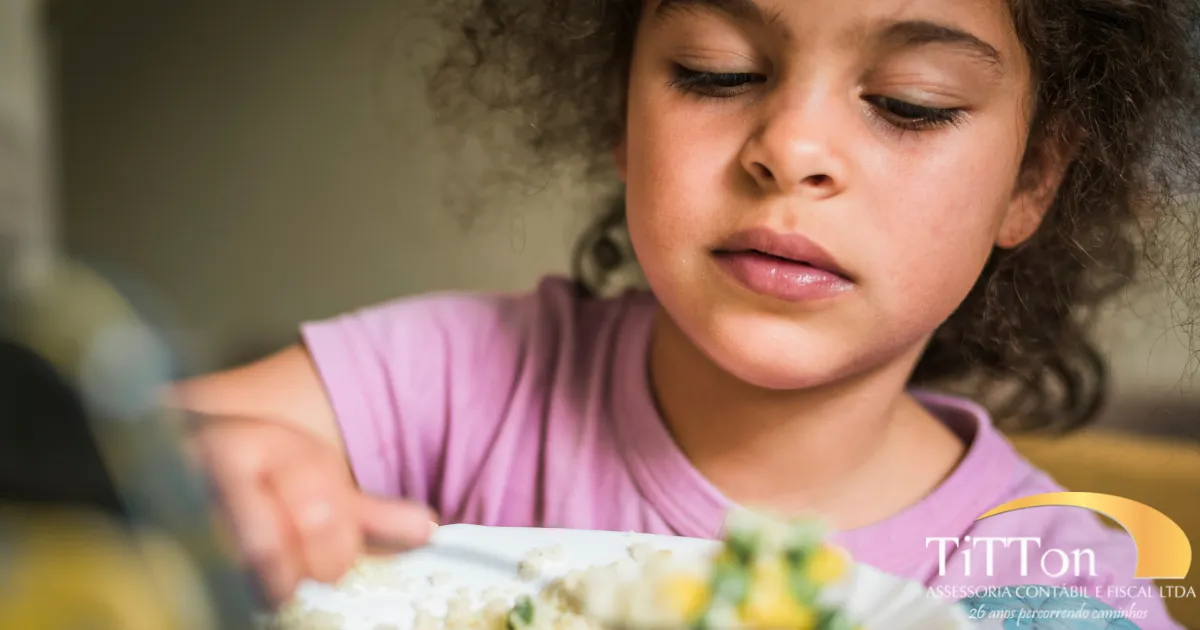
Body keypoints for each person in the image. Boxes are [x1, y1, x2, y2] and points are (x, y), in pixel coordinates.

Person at [173, 0, 1200, 626]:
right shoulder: (462, 379)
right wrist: (190, 477)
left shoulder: (1057, 587)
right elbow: (77, 445)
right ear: (622, 110)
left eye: (909, 101)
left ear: (1031, 179)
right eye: (718, 71)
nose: (790, 148)